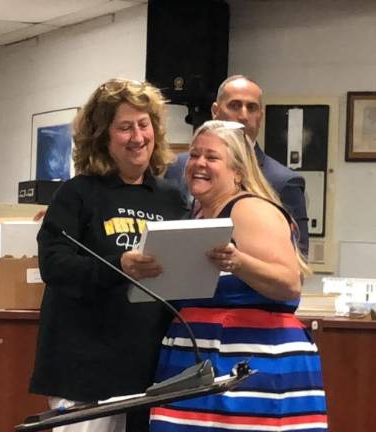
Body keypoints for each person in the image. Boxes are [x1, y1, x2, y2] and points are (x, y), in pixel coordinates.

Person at [29, 78, 189, 432]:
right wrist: (119, 266)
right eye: (124, 127)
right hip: (85, 372)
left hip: (150, 370)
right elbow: (54, 265)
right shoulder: (77, 194)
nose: (137, 137)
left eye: (144, 125)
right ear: (103, 136)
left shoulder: (171, 199)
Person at [150, 121, 328, 431]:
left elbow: (288, 284)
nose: (198, 164)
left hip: (250, 362)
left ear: (238, 171)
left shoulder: (249, 210)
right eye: (194, 155)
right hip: (198, 363)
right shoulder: (198, 214)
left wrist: (239, 262)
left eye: (211, 157)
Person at [164, 75, 310, 256]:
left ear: (261, 117)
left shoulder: (282, 181)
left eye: (252, 108)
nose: (243, 116)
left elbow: (298, 259)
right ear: (215, 111)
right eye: (234, 106)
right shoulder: (179, 167)